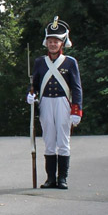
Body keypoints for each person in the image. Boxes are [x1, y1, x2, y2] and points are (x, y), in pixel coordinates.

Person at [28, 17, 82, 190]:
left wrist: (77, 110)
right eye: (50, 41)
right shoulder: (40, 62)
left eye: (56, 41)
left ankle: (62, 178)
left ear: (62, 43)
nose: (52, 44)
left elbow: (76, 88)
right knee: (49, 140)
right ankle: (50, 178)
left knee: (63, 141)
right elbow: (35, 84)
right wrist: (31, 94)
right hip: (45, 102)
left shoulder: (70, 62)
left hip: (63, 103)